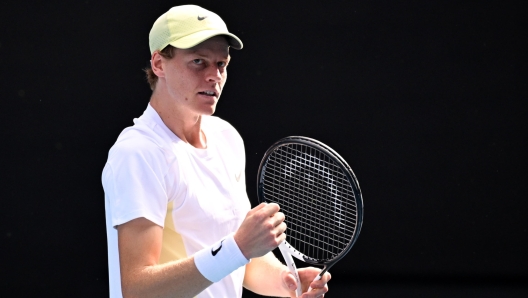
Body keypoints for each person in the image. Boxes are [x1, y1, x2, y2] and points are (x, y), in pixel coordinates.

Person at [102, 5, 331, 298]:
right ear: (158, 64)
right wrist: (238, 247)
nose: (214, 76)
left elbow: (239, 260)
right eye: (199, 62)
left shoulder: (226, 138)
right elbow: (137, 288)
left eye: (221, 64)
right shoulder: (138, 154)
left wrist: (284, 280)